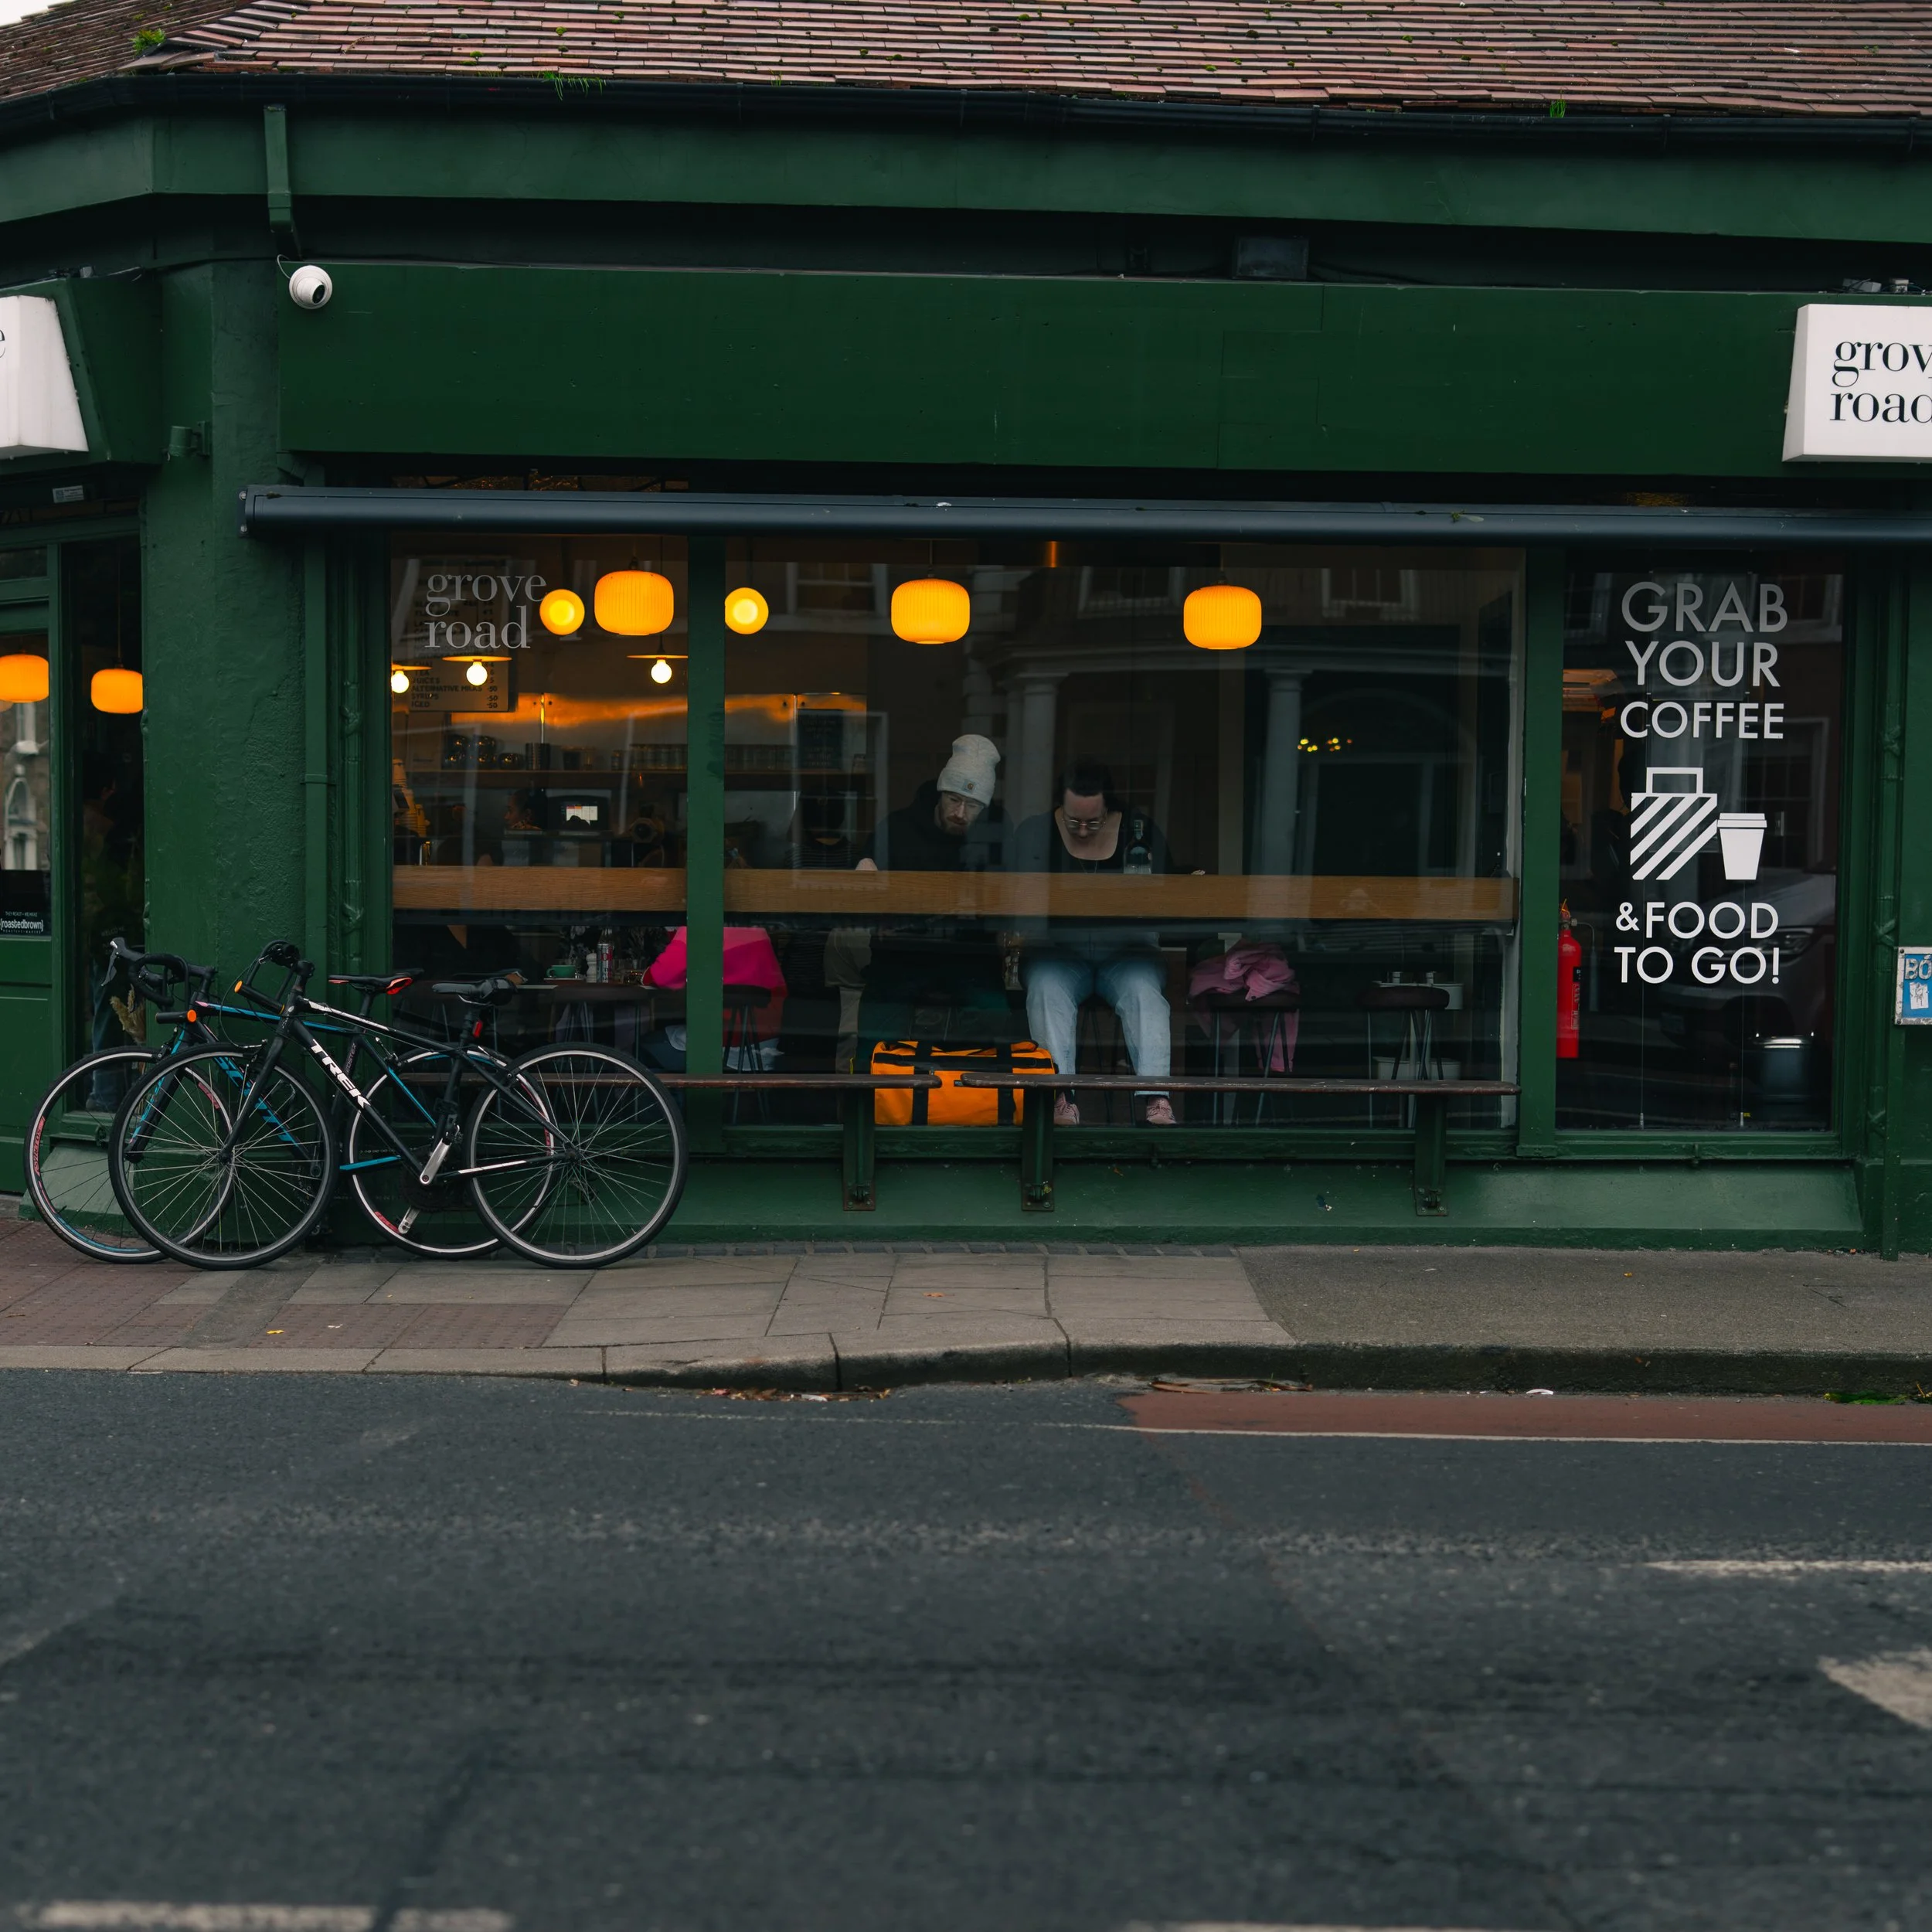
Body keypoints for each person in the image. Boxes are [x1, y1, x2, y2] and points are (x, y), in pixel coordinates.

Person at [1009, 760, 1175, 1126]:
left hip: (1126, 950)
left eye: (1093, 822)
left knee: (1145, 996)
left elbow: (1171, 890)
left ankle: (1156, 1099)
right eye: (1073, 822)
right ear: (1059, 807)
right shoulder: (1036, 831)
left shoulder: (1139, 830)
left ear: (1109, 807)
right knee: (1046, 991)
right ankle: (1059, 1097)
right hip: (1058, 950)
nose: (1083, 830)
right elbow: (1011, 892)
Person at [831, 733, 1006, 1066]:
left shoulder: (996, 832)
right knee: (879, 1016)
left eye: (972, 806)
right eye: (954, 799)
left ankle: (976, 1096)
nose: (960, 812)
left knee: (992, 1014)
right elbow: (866, 875)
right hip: (903, 950)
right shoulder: (898, 826)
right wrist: (866, 869)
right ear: (941, 792)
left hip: (969, 954)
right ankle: (871, 1098)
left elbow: (1011, 890)